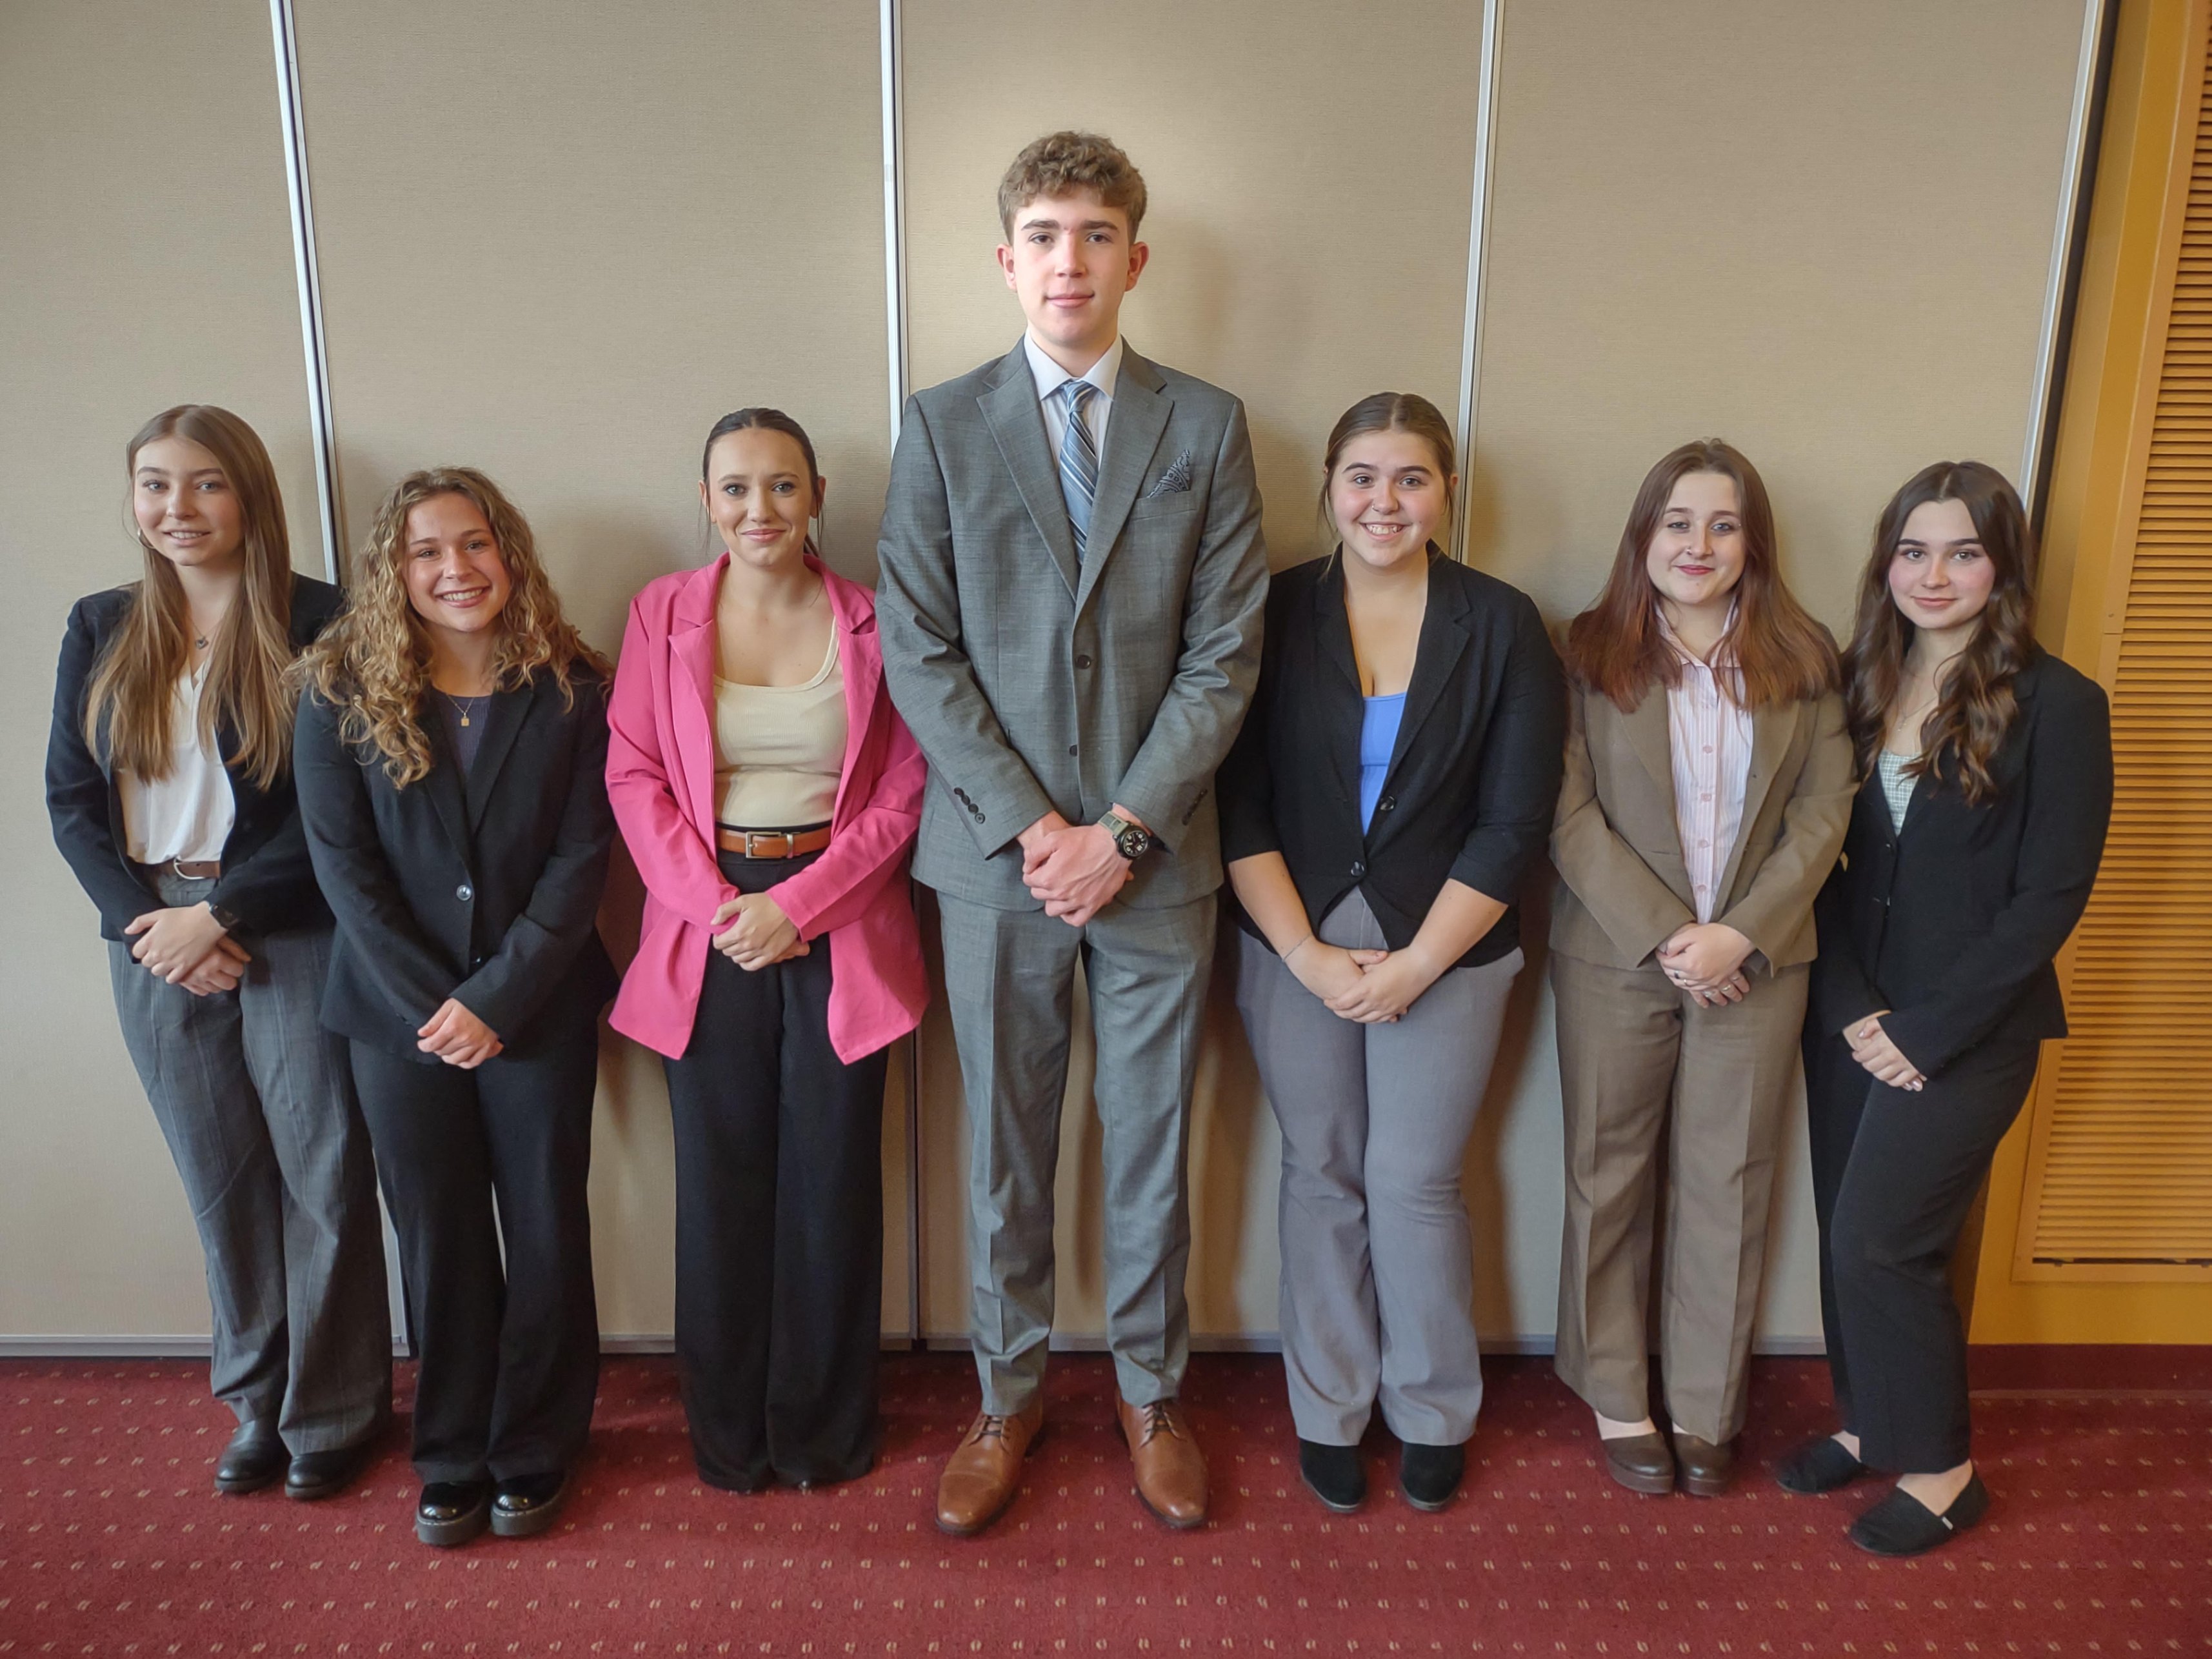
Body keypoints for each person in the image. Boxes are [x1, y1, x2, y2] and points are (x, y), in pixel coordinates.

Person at [875, 130, 1269, 1535]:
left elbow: (1224, 652)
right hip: (995, 864)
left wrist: (1123, 828)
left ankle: (1152, 1391)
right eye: (1043, 234)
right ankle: (1005, 1392)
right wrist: (1038, 826)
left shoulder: (1205, 425)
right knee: (1004, 1142)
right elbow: (919, 650)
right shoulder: (938, 424)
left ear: (1133, 260)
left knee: (1150, 1133)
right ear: (1006, 258)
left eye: (1095, 235)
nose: (1068, 260)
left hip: (1156, 861)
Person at [1219, 392, 1562, 1513]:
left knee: (1412, 1183)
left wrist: (1416, 965)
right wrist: (1308, 957)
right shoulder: (1270, 612)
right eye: (1362, 476)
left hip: (1448, 944)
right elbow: (1239, 807)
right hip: (1294, 934)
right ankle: (1327, 1405)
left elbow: (1515, 822)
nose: (1384, 501)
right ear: (1328, 486)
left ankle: (1429, 1407)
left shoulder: (1502, 623)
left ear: (1446, 492)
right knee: (1318, 1174)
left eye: (1410, 478)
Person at [46, 405, 391, 1501]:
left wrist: (226, 916)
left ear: (248, 496)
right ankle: (255, 1402)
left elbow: (340, 811)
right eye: (155, 484)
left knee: (321, 1173)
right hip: (150, 936)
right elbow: (69, 802)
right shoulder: (100, 624)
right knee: (221, 1181)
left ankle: (333, 1411)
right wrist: (151, 927)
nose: (176, 508)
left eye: (203, 484)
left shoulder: (322, 621)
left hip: (286, 932)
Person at [1782, 462, 2111, 1554]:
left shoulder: (2060, 704)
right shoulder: (1853, 682)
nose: (1935, 574)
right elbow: (1817, 864)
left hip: (1965, 1031)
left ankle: (1941, 1469)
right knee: (1842, 1234)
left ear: (2000, 566)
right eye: (1914, 550)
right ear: (1887, 562)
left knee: (1886, 1243)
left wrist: (1921, 1031)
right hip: (1848, 1011)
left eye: (1963, 551)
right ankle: (1869, 1421)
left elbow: (2048, 898)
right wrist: (1849, 1006)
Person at [294, 467, 615, 1548]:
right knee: (436, 1238)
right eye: (427, 552)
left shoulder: (572, 687)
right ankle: (450, 1450)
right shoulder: (337, 690)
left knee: (543, 1227)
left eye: (474, 545)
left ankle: (536, 1442)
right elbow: (346, 875)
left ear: (508, 554)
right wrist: (442, 1006)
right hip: (398, 1023)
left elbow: (581, 866)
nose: (455, 570)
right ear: (395, 571)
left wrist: (500, 998)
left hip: (541, 1008)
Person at [606, 408, 926, 1491]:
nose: (759, 510)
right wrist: (719, 908)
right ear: (705, 499)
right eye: (736, 488)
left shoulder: (877, 623)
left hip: (839, 914)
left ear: (818, 494)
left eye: (782, 487)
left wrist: (801, 904)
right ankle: (729, 1436)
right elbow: (634, 779)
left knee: (833, 1185)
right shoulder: (660, 615)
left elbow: (903, 791)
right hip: (708, 926)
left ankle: (826, 1432)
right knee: (721, 1183)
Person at [1548, 438, 1853, 1498]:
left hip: (1759, 963)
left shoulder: (1806, 660)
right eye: (1677, 522)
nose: (1698, 544)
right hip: (1613, 955)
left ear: (1751, 545)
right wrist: (1673, 936)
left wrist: (1740, 934)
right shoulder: (1584, 652)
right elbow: (1566, 813)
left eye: (1723, 525)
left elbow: (1823, 814)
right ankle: (1617, 1396)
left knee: (1729, 1182)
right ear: (1644, 535)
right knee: (1608, 1175)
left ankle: (1703, 1406)